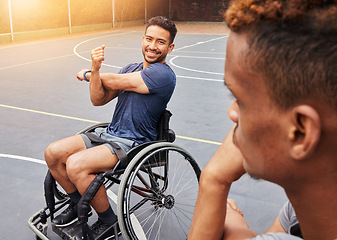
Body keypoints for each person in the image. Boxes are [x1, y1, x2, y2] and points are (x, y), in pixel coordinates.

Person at [188, 0, 337, 240]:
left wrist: (213, 179)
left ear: (300, 131)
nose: (232, 113)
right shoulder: (300, 212)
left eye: (239, 99)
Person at [44, 16, 177, 239]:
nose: (153, 46)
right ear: (143, 39)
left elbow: (116, 81)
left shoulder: (163, 75)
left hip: (134, 144)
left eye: (160, 42)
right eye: (149, 39)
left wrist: (89, 74)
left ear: (170, 47)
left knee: (76, 165)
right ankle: (78, 205)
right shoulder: (129, 68)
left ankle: (108, 220)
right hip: (109, 135)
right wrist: (95, 70)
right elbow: (98, 99)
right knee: (53, 153)